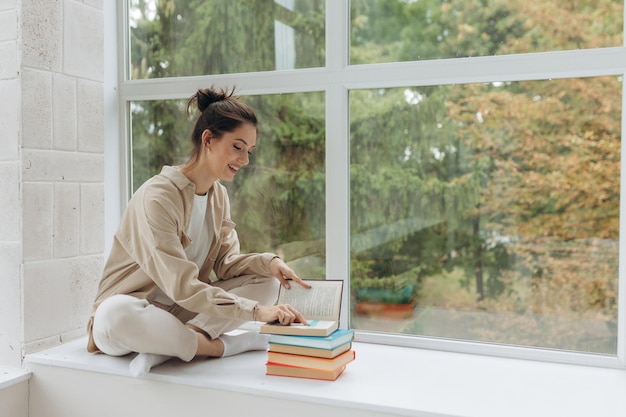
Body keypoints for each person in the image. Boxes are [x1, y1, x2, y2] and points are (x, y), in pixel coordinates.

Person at [87, 86, 310, 376]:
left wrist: (270, 263)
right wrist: (256, 312)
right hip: (135, 312)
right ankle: (224, 346)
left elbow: (226, 266)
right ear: (208, 139)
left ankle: (170, 347)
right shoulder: (158, 196)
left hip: (181, 316)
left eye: (249, 151)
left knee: (268, 282)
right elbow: (181, 285)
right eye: (237, 147)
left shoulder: (219, 197)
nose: (245, 160)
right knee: (114, 313)